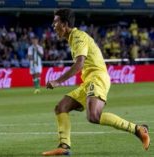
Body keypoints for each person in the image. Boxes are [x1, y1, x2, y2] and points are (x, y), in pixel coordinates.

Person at [42, 8, 150, 156]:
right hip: (88, 81)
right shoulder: (72, 39)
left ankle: (138, 129)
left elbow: (79, 64)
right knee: (61, 107)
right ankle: (64, 147)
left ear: (65, 24)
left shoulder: (78, 36)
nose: (53, 26)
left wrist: (57, 81)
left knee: (93, 116)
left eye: (55, 22)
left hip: (97, 77)